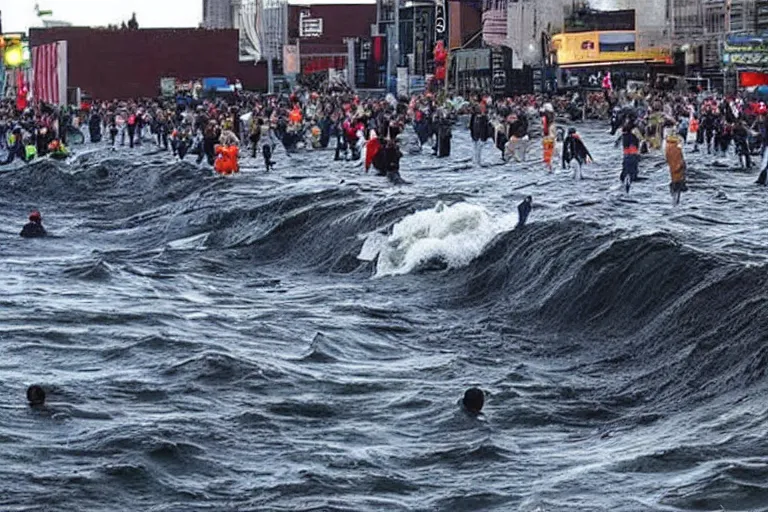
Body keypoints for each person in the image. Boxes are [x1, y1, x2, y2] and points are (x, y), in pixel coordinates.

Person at [666, 134, 687, 206]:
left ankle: (674, 201)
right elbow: (679, 159)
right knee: (678, 188)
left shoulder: (667, 145)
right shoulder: (676, 147)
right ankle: (675, 204)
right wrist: (682, 165)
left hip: (673, 171)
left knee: (675, 185)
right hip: (678, 171)